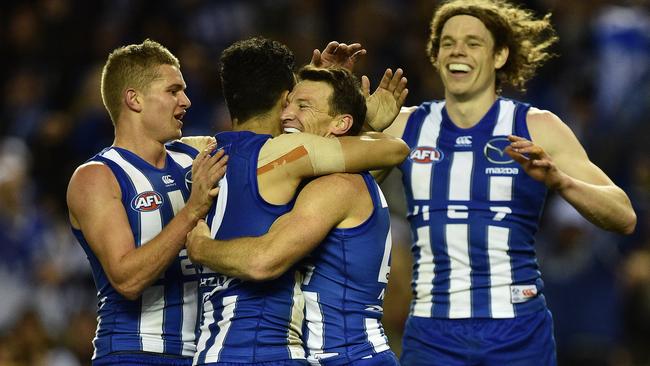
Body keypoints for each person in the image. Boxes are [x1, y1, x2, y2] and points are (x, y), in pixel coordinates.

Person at [358, 0, 638, 365]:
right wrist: (366, 131)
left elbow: (623, 215)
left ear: (500, 55)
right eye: (447, 42)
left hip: (517, 332)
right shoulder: (404, 126)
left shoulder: (538, 126)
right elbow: (343, 196)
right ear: (436, 55)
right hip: (432, 332)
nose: (458, 50)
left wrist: (561, 181)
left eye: (473, 42)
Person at [185, 37, 409, 365]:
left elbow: (263, 260)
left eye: (302, 106)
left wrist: (201, 247)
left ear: (341, 123)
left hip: (353, 358)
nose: (288, 114)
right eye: (289, 102)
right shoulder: (317, 182)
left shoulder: (338, 185)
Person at [66, 39, 227, 366]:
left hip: (206, 354)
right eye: (173, 91)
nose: (186, 100)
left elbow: (264, 151)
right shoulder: (97, 176)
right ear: (134, 99)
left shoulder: (193, 158)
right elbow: (127, 279)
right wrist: (192, 210)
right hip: (136, 354)